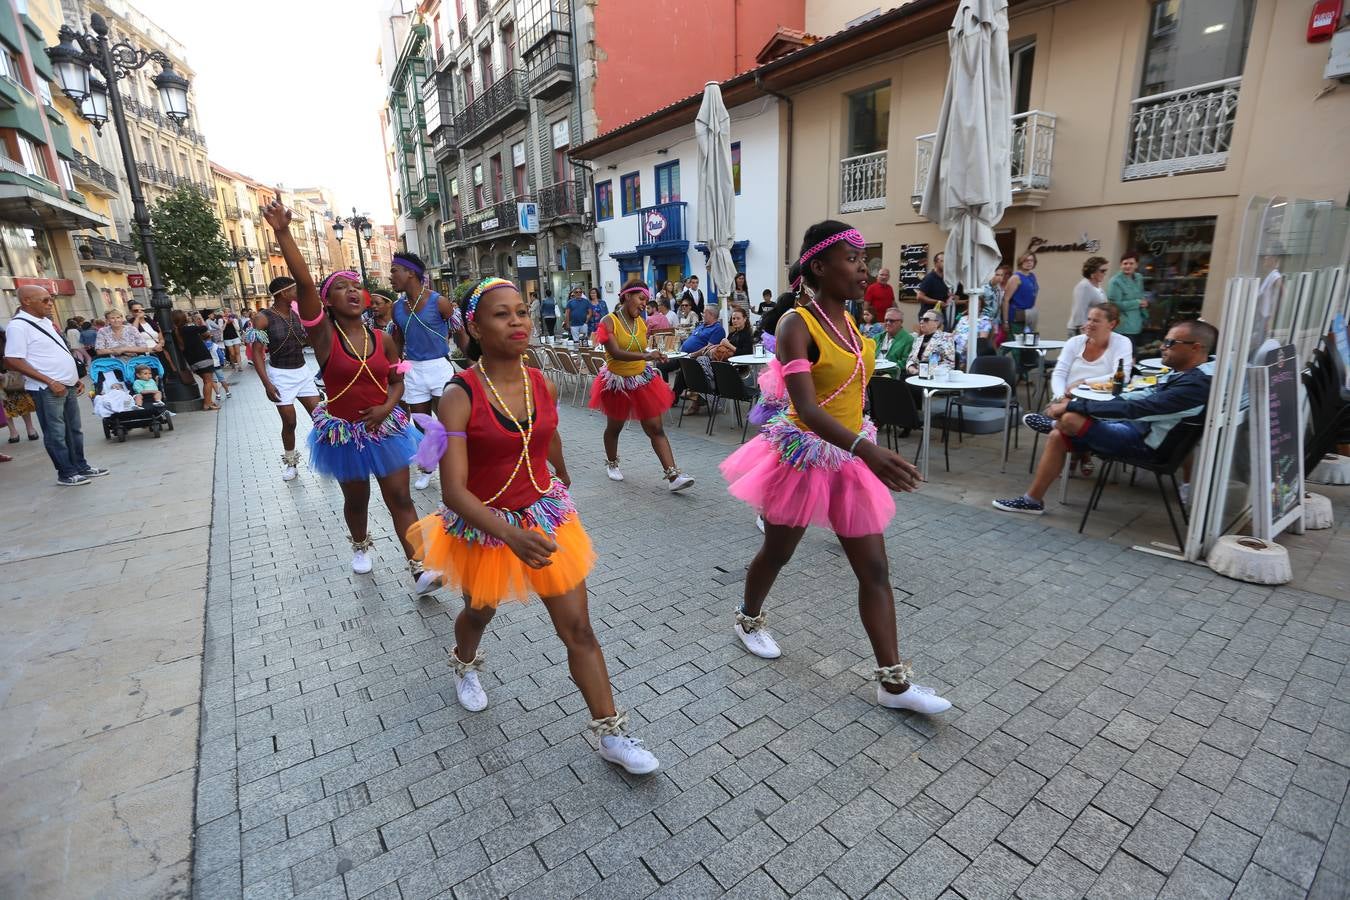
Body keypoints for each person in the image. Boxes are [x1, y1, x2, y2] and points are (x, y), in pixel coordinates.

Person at [405, 276, 660, 775]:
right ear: (475, 327)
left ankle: (610, 731)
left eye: (522, 310)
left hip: (544, 517)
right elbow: (454, 490)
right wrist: (509, 534)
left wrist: (559, 478)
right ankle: (463, 662)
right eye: (502, 314)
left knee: (579, 628)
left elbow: (545, 435)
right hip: (486, 526)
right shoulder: (460, 394)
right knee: (479, 612)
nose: (517, 320)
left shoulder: (537, 379)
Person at [719, 220, 951, 714]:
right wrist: (868, 450)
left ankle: (893, 683)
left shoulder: (855, 325)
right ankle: (748, 618)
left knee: (874, 568)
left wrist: (866, 444)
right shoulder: (795, 324)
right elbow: (807, 406)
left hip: (849, 456)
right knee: (778, 552)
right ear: (818, 266)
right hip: (804, 457)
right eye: (852, 259)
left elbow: (852, 399)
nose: (862, 268)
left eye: (864, 259)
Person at [263, 200, 428, 584]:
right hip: (342, 434)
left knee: (400, 498)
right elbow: (304, 283)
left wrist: (388, 407)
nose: (352, 292)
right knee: (357, 500)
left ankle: (421, 566)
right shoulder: (323, 336)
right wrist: (283, 232)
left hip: (385, 430)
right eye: (341, 288)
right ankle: (360, 545)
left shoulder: (384, 339)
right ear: (327, 302)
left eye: (357, 287)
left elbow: (397, 380)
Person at [994, 319, 1217, 516]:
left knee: (1071, 420)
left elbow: (1140, 409)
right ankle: (1032, 501)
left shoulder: (1194, 386)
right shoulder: (1188, 374)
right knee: (1057, 436)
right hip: (1138, 428)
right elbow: (1141, 398)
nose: (1162, 347)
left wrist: (1074, 405)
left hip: (1148, 446)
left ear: (1196, 348)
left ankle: (1056, 421)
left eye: (1170, 343)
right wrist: (1089, 403)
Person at [588, 283, 694, 490]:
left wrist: (654, 353)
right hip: (617, 382)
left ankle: (673, 476)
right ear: (627, 296)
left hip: (641, 380)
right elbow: (616, 352)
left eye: (646, 300)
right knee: (615, 427)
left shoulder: (641, 322)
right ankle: (612, 463)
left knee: (655, 428)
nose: (645, 304)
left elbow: (638, 346)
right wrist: (647, 355)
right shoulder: (608, 321)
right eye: (641, 299)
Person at [2, 285, 108, 486]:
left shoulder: (45, 322)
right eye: (44, 300)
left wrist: (73, 377)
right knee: (56, 433)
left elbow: (54, 352)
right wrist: (50, 381)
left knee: (74, 429)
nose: (50, 303)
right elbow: (12, 360)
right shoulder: (19, 326)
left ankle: (81, 466)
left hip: (66, 384)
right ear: (26, 301)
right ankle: (66, 473)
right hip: (47, 388)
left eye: (50, 299)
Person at [389, 251, 467, 492]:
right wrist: (395, 369)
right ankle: (427, 467)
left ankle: (457, 468)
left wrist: (473, 362)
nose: (391, 277)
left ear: (410, 273)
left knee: (449, 423)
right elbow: (398, 341)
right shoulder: (396, 308)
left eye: (394, 271)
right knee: (422, 424)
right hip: (413, 370)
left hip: (438, 367)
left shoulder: (439, 302)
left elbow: (460, 331)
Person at [1047, 301, 1134, 476]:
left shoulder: (1122, 342)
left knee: (1069, 418)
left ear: (1112, 324)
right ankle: (1084, 455)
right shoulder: (1075, 342)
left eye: (1095, 321)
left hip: (1100, 400)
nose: (1088, 324)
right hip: (1067, 397)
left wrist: (1084, 382)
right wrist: (1059, 395)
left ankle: (1070, 445)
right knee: (1069, 412)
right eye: (1088, 319)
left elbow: (1122, 375)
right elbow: (1059, 373)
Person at [250, 276, 320, 481]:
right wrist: (267, 384)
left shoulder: (297, 313)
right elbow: (257, 353)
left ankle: (328, 458)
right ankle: (291, 464)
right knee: (289, 422)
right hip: (280, 375)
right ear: (282, 293)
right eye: (294, 289)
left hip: (302, 372)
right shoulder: (263, 318)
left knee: (320, 418)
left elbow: (304, 341)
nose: (297, 292)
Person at [171, 310, 218, 410]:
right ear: (183, 318)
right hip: (202, 357)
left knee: (206, 381)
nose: (188, 316)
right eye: (186, 315)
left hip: (192, 361)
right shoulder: (189, 329)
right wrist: (200, 319)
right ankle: (207, 404)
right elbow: (204, 328)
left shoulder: (175, 332)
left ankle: (209, 401)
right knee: (208, 381)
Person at [1, 328, 40, 443]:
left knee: (21, 401)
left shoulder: (5, 333)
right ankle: (13, 431)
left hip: (10, 372)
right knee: (3, 405)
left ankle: (30, 428)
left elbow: (15, 353)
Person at [1108, 251, 1148, 344]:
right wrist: (1137, 303)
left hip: (1137, 324)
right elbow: (1114, 305)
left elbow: (1140, 295)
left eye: (1131, 263)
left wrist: (1144, 302)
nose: (1128, 266)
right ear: (1120, 265)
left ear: (1136, 265)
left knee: (1134, 355)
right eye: (1125, 263)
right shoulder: (1115, 281)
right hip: (1123, 327)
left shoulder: (1138, 277)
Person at [905, 309, 956, 375]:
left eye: (926, 320)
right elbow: (910, 359)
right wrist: (911, 368)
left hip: (935, 378)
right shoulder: (919, 339)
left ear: (936, 323)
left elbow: (949, 364)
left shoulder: (946, 338)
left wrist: (927, 372)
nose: (921, 322)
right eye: (921, 319)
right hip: (915, 376)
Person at [1068, 256, 1109, 338]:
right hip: (1082, 330)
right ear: (1092, 272)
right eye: (1102, 271)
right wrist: (1083, 331)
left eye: (1105, 271)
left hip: (1093, 329)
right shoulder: (1084, 286)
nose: (1104, 273)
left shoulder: (1098, 286)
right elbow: (1079, 310)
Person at [1003, 251, 1040, 335]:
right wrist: (1005, 321)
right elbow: (1006, 300)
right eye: (1026, 260)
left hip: (1029, 315)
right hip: (1017, 316)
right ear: (1021, 262)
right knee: (1015, 344)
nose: (1029, 262)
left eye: (1031, 260)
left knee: (1029, 342)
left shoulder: (1032, 276)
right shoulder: (1016, 278)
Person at [876, 308, 912, 376]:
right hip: (872, 372)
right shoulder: (877, 337)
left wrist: (887, 365)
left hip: (891, 374)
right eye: (886, 320)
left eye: (892, 321)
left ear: (901, 322)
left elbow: (905, 362)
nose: (888, 323)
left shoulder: (908, 340)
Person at [915, 253, 949, 318]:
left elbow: (941, 295)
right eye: (942, 261)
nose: (945, 263)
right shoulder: (929, 278)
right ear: (935, 263)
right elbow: (919, 296)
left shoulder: (945, 279)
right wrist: (937, 302)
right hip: (928, 317)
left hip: (940, 315)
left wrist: (950, 296)